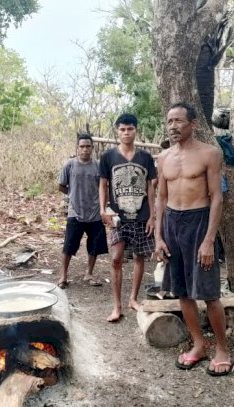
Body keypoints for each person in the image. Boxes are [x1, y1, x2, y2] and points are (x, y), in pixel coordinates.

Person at [154, 101, 233, 376]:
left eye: (178, 121)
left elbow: (217, 197)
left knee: (209, 293)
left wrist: (210, 239)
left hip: (199, 223)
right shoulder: (163, 158)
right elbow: (161, 198)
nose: (173, 126)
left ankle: (222, 350)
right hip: (172, 225)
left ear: (193, 124)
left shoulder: (210, 154)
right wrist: (158, 237)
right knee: (183, 292)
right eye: (169, 121)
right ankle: (198, 345)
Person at [99, 113, 157, 322]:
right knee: (116, 259)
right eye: (122, 129)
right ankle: (117, 306)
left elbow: (151, 187)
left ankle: (133, 298)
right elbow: (103, 184)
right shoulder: (108, 157)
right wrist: (103, 209)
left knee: (140, 257)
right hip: (118, 216)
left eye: (130, 129)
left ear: (135, 130)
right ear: (117, 131)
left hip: (141, 215)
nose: (126, 133)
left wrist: (153, 215)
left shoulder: (146, 158)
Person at [57, 133, 109, 289]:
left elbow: (104, 187)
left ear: (92, 148)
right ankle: (63, 276)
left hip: (95, 213)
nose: (85, 150)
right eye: (82, 146)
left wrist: (103, 206)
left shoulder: (99, 166)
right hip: (75, 213)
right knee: (69, 246)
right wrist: (73, 196)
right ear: (77, 148)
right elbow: (61, 186)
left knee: (94, 246)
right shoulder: (70, 165)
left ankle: (89, 273)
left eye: (88, 147)